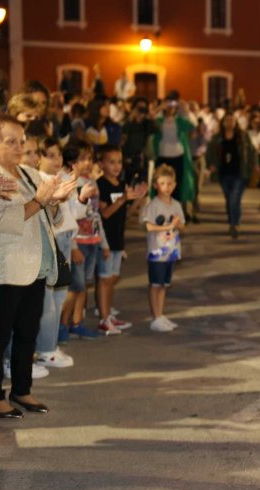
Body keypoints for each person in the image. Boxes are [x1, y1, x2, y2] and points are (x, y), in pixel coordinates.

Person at [0, 113, 76, 419]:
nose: (19, 147)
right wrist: (40, 201)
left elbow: (54, 218)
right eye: (10, 142)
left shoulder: (27, 173)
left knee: (27, 332)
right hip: (4, 269)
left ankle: (23, 389)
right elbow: (1, 220)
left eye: (21, 141)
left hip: (35, 266)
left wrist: (56, 200)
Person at [33, 138, 77, 368]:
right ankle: (45, 350)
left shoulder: (63, 178)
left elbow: (71, 212)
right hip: (52, 240)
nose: (56, 159)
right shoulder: (37, 180)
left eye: (59, 155)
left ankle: (49, 346)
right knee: (48, 300)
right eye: (50, 155)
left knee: (59, 296)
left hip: (66, 237)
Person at [96, 144, 147, 335]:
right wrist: (121, 199)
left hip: (118, 237)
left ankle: (108, 314)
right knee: (105, 279)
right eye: (111, 162)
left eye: (119, 162)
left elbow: (125, 215)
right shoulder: (100, 184)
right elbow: (105, 213)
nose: (116, 166)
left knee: (113, 278)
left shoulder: (121, 184)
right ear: (101, 164)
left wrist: (136, 200)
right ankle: (103, 318)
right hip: (105, 239)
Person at [60, 140, 107, 339]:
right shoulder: (68, 182)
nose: (88, 163)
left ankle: (77, 322)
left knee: (84, 286)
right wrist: (72, 246)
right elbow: (68, 216)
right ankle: (61, 325)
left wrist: (104, 242)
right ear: (71, 162)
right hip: (77, 241)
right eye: (82, 159)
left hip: (92, 240)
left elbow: (95, 215)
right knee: (74, 286)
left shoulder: (91, 182)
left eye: (90, 159)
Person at [141, 165, 186, 333]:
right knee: (155, 284)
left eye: (169, 183)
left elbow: (182, 227)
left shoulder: (176, 205)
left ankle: (160, 314)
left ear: (174, 185)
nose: (166, 187)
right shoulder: (154, 205)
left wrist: (177, 224)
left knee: (164, 285)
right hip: (157, 252)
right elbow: (149, 227)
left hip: (171, 252)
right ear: (156, 185)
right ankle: (155, 316)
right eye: (162, 183)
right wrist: (167, 227)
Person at [207, 112, 257, 238]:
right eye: (227, 120)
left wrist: (255, 164)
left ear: (236, 122)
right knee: (229, 199)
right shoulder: (217, 137)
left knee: (235, 198)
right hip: (224, 172)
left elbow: (252, 151)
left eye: (232, 120)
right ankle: (231, 219)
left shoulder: (243, 136)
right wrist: (211, 164)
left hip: (239, 172)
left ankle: (235, 224)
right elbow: (210, 152)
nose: (229, 123)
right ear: (223, 123)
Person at [152, 94, 197, 217]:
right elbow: (150, 120)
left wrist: (186, 109)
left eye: (173, 105)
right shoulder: (159, 120)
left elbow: (193, 124)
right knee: (161, 185)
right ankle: (162, 212)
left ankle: (175, 213)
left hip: (178, 155)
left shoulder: (180, 120)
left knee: (176, 185)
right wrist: (159, 108)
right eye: (169, 104)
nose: (171, 107)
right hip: (162, 156)